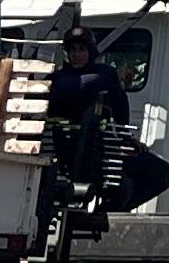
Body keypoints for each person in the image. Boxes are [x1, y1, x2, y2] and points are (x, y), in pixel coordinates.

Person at [44, 26, 124, 198]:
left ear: (90, 51)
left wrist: (127, 139)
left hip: (100, 149)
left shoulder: (105, 74)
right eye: (72, 50)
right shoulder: (58, 78)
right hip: (63, 152)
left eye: (82, 49)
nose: (77, 54)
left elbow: (120, 107)